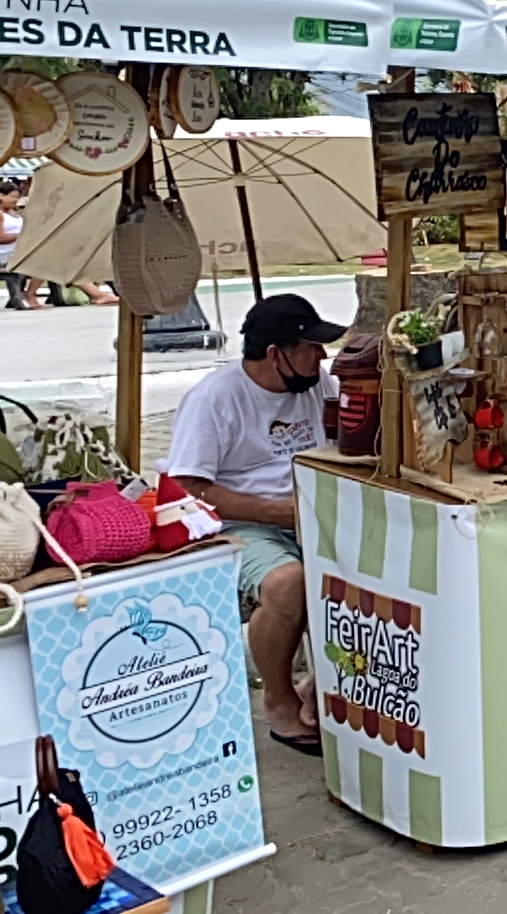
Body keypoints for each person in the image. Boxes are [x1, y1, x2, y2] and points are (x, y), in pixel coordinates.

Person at [165, 294, 345, 754]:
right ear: (274, 354)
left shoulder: (316, 385)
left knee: (373, 575)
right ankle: (279, 701)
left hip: (314, 512)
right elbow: (186, 489)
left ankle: (322, 688)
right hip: (239, 521)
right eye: (311, 347)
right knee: (289, 583)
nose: (322, 356)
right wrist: (276, 511)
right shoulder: (215, 398)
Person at [0, 182, 24, 310]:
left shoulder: (13, 213)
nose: (15, 200)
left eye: (17, 197)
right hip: (4, 254)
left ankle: (30, 293)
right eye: (12, 196)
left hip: (16, 250)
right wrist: (21, 236)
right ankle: (30, 295)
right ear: (1, 195)